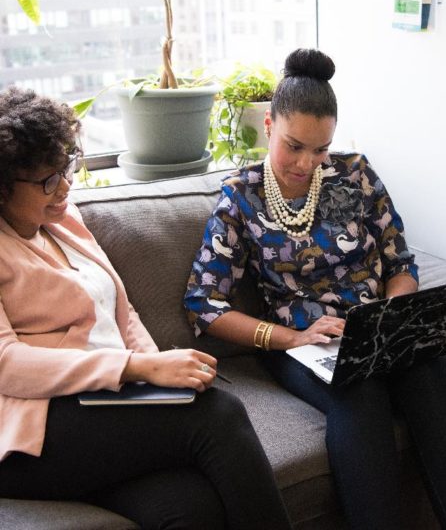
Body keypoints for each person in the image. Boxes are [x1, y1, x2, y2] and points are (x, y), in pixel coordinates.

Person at [185, 48, 446, 530]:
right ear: (268, 126)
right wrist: (291, 338)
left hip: (377, 328)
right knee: (359, 389)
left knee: (426, 377)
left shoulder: (356, 175)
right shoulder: (239, 198)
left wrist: (394, 314)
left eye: (320, 148)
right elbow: (204, 306)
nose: (307, 163)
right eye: (294, 145)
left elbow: (400, 261)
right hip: (305, 343)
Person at [0, 86, 291, 530]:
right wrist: (136, 369)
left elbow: (123, 310)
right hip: (35, 429)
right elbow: (8, 365)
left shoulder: (64, 221)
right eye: (47, 180)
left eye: (66, 167)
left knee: (189, 509)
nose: (65, 185)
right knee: (218, 414)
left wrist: (159, 373)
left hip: (103, 407)